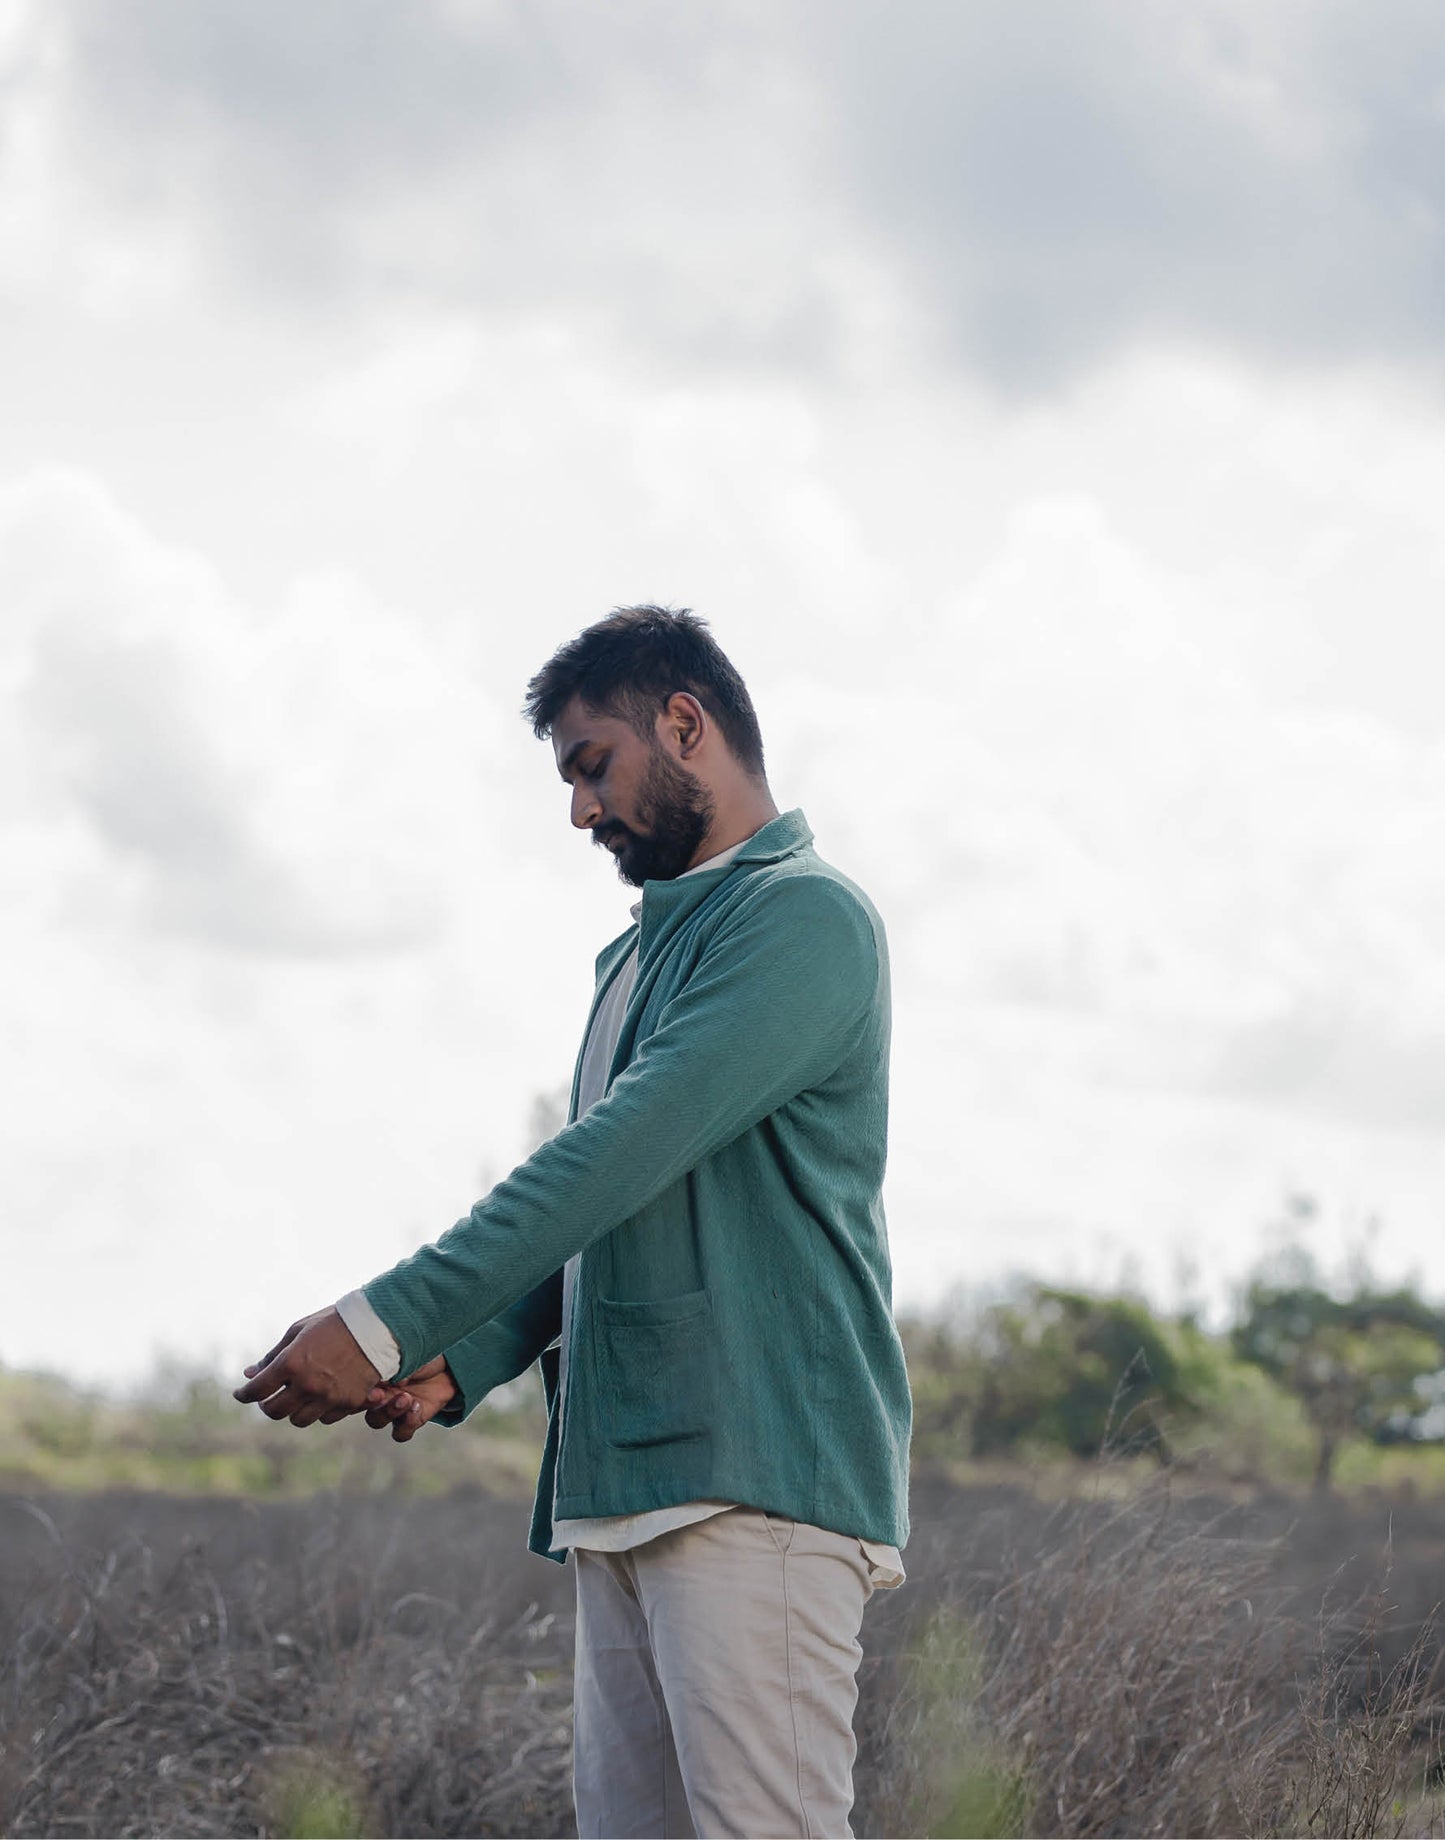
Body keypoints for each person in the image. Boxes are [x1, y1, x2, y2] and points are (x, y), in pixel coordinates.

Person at [235, 604, 912, 1838]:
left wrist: (386, 1320)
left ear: (684, 723)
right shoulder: (631, 963)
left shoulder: (804, 920)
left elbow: (613, 1155)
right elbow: (624, 1213)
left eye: (590, 765)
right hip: (624, 1476)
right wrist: (475, 1352)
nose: (579, 810)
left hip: (754, 1478)